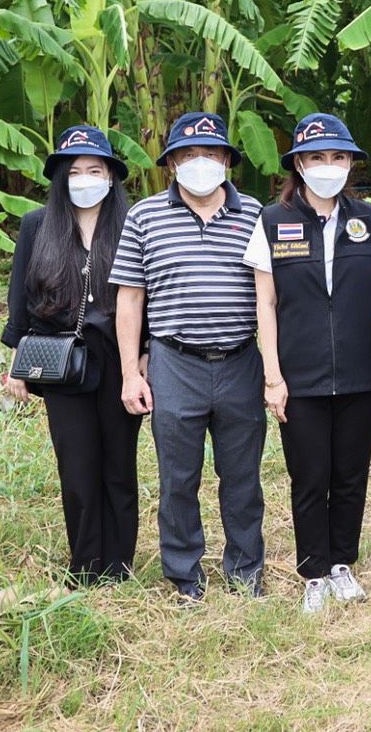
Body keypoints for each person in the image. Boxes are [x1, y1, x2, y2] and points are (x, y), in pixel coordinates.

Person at [244, 113, 371, 613]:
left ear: (350, 163)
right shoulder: (273, 220)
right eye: (316, 157)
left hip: (362, 369)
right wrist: (273, 375)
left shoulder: (367, 218)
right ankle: (313, 571)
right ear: (299, 164)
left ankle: (341, 565)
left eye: (337, 157)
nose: (327, 166)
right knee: (310, 477)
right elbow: (265, 303)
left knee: (351, 475)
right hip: (300, 374)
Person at [111, 112, 266, 603]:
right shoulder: (145, 216)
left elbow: (272, 296)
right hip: (174, 363)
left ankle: (246, 571)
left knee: (242, 477)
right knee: (178, 478)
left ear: (227, 161)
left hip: (240, 360)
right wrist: (130, 372)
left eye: (211, 153)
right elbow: (130, 298)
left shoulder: (256, 214)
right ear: (172, 162)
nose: (201, 162)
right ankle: (184, 576)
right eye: (188, 154)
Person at [2, 125, 142, 586]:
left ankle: (119, 563)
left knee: (118, 464)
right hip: (59, 360)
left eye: (94, 170)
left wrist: (142, 356)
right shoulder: (37, 225)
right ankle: (85, 565)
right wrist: (17, 360)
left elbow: (149, 296)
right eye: (74, 171)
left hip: (119, 357)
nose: (84, 179)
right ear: (61, 178)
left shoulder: (131, 223)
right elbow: (20, 296)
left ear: (110, 176)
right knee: (77, 467)